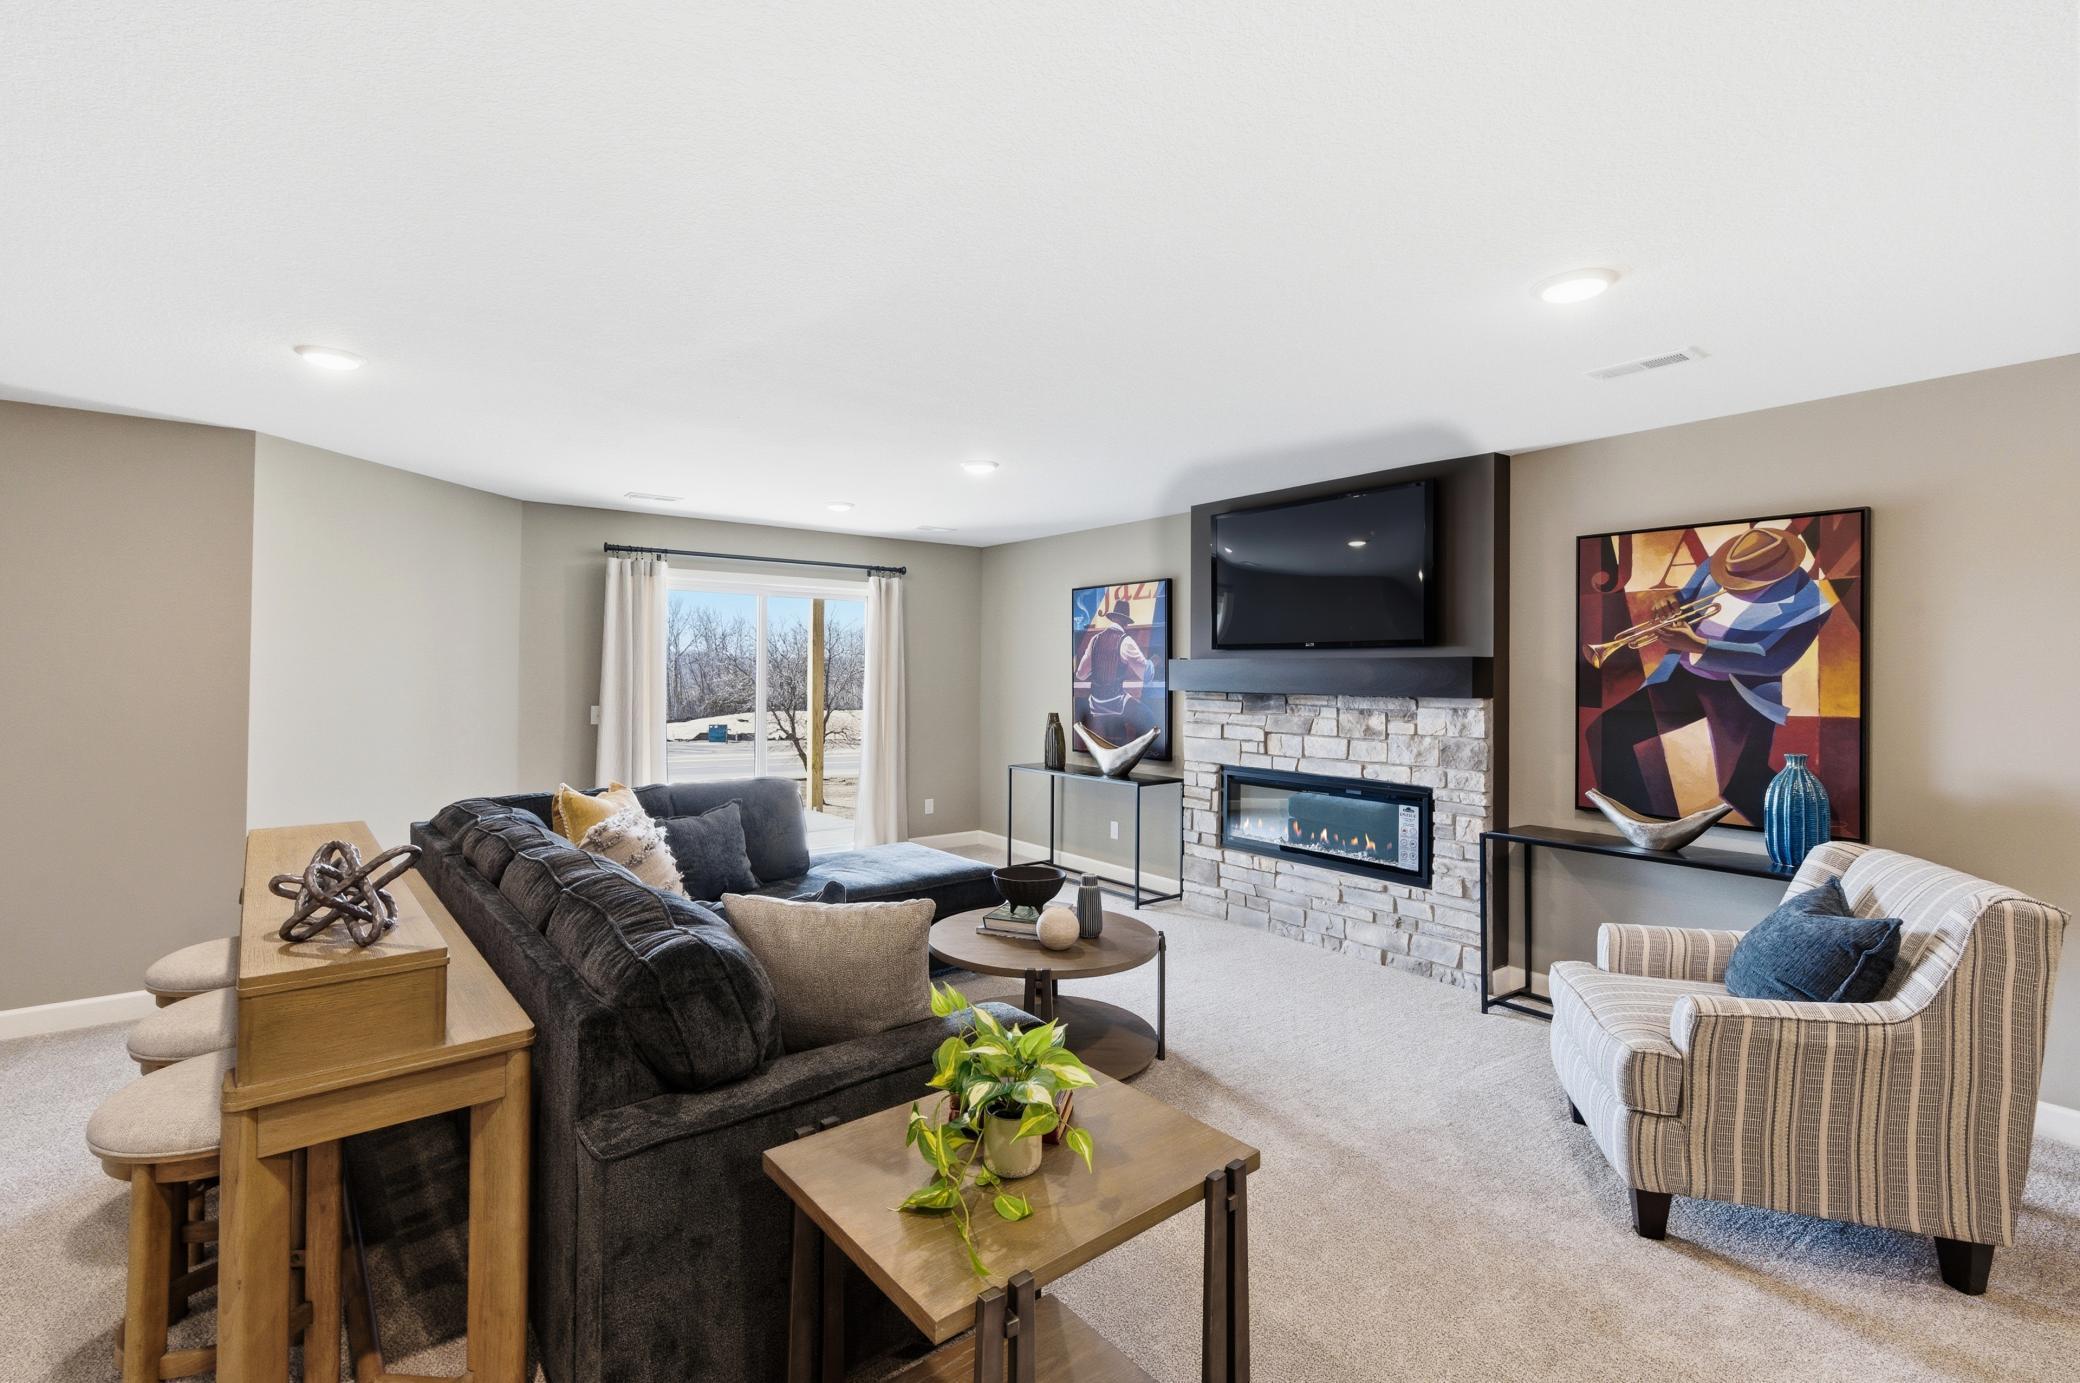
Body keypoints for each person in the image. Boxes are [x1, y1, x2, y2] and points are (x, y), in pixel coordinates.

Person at [1585, 526, 1836, 823]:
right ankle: (1639, 822)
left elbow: (1772, 661)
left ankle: (1816, 824)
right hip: (1685, 675)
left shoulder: (1810, 605)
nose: (1728, 584)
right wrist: (1667, 603)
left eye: (1742, 580)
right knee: (1607, 730)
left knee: (1740, 786)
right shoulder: (1720, 566)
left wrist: (1698, 645)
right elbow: (1683, 597)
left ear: (1777, 573)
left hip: (1741, 693)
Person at [1075, 595, 1160, 744]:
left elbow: (1081, 675)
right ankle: (1145, 753)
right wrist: (1154, 662)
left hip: (1095, 703)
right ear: (1125, 621)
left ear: (1113, 619)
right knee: (1151, 721)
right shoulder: (1125, 641)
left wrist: (1096, 668)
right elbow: (1146, 674)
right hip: (1116, 703)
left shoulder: (1094, 639)